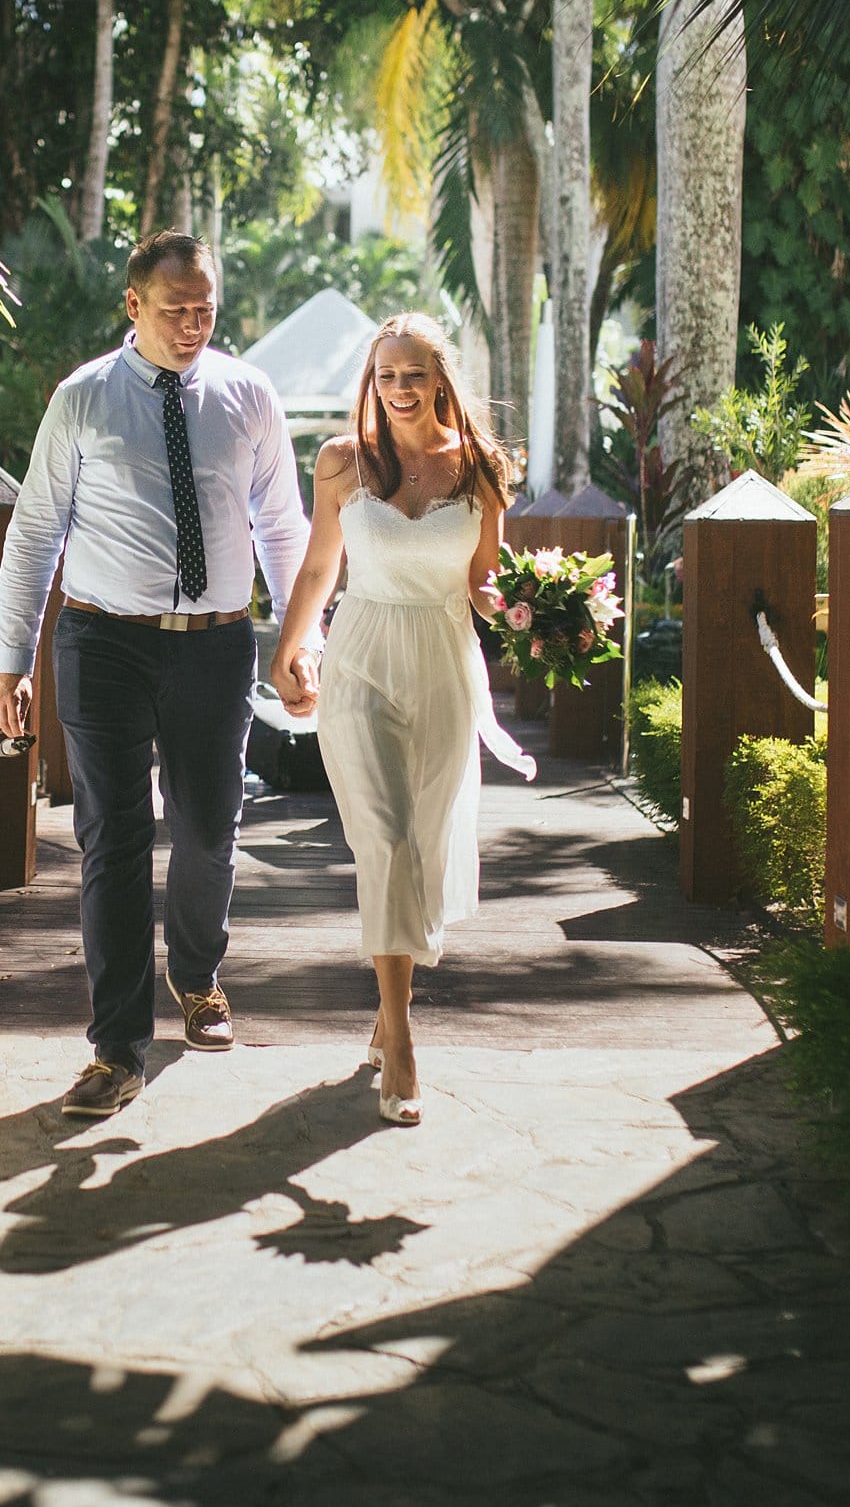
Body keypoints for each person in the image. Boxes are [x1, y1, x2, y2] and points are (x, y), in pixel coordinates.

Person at [0, 232, 311, 1121]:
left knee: (210, 829)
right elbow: (34, 533)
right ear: (134, 306)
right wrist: (6, 662)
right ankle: (116, 1047)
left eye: (206, 308)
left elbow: (283, 526)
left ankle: (198, 974)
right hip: (104, 644)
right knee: (114, 840)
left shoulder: (248, 394)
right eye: (176, 310)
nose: (194, 325)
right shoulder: (84, 398)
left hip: (214, 644)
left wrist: (299, 639)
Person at [269, 313, 532, 1125]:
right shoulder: (344, 463)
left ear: (442, 380)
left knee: (421, 842)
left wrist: (537, 612)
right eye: (386, 376)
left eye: (414, 374)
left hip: (445, 664)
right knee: (382, 838)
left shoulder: (482, 469)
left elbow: (486, 581)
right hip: (362, 655)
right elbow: (320, 564)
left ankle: (384, 1016)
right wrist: (291, 648)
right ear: (370, 382)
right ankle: (407, 1038)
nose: (400, 389)